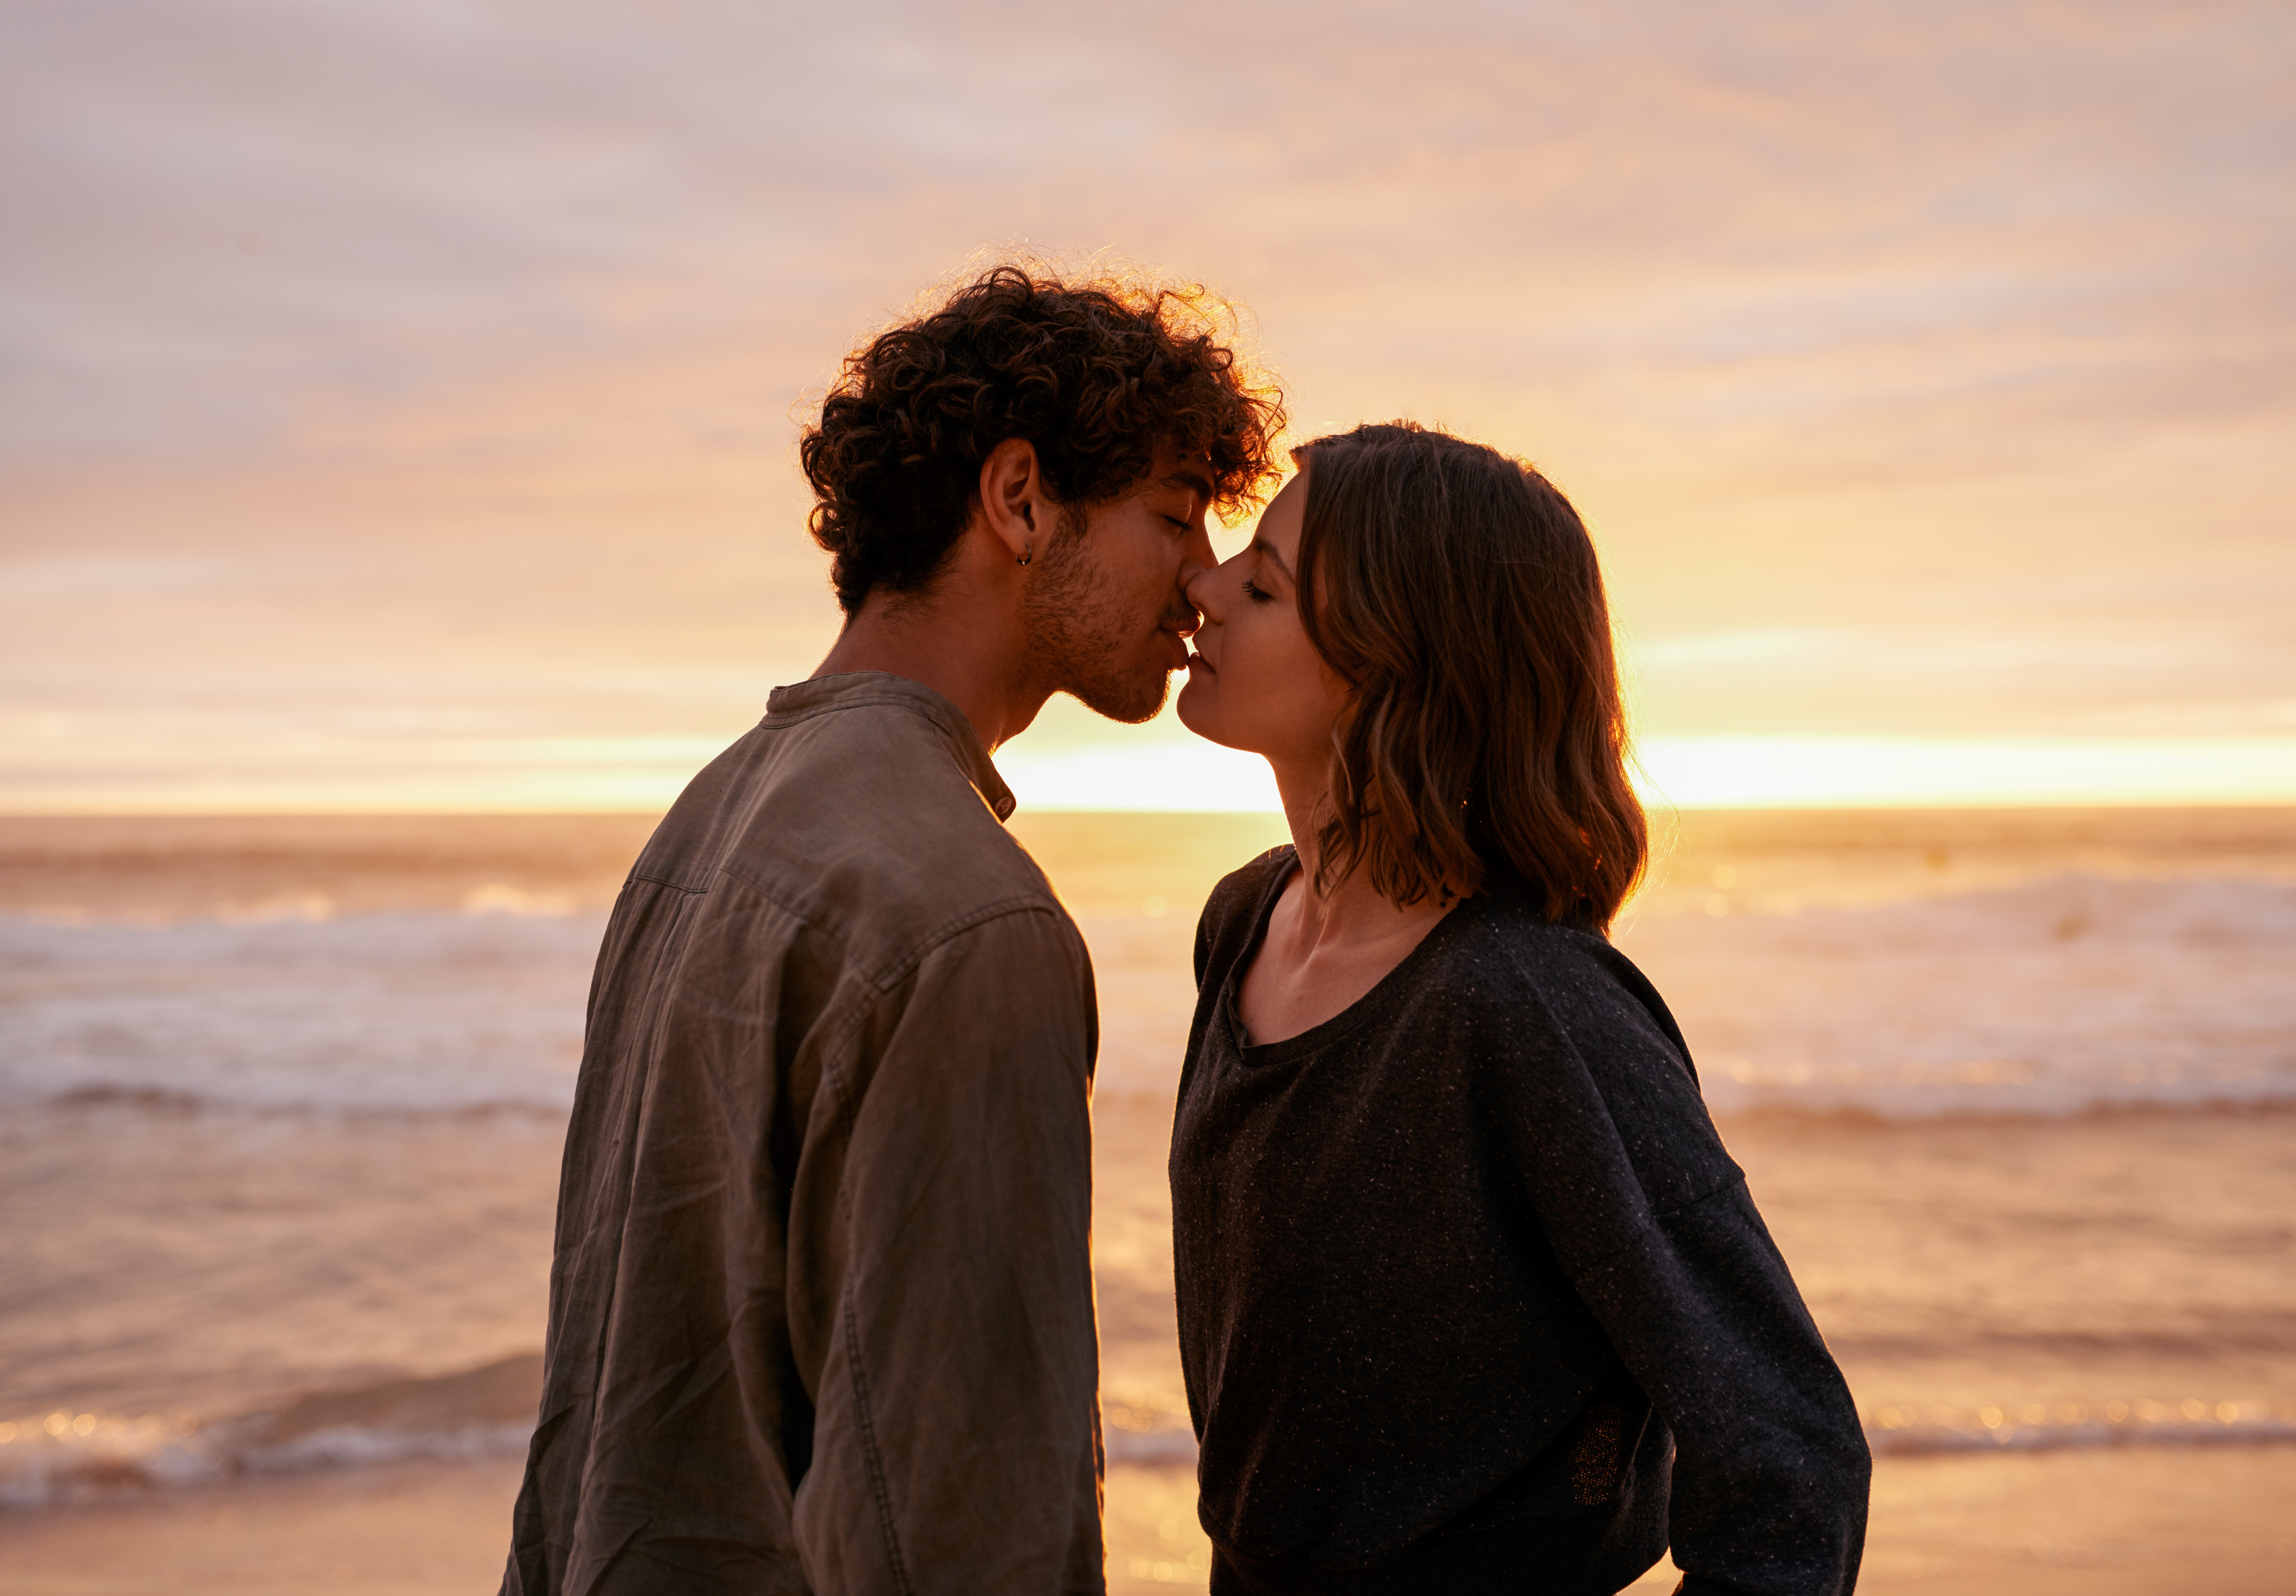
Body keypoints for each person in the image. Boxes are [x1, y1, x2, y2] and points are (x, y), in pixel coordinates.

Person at [500, 264, 1283, 1596]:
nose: (1203, 581)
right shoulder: (971, 916)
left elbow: (595, 1416)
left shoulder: (705, 823)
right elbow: (967, 1523)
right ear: (1022, 498)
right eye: (1173, 515)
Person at [1168, 422, 1870, 1595]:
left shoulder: (1527, 1002)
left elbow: (1792, 1453)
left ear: (1394, 666)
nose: (1203, 587)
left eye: (1264, 584)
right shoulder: (1242, 920)